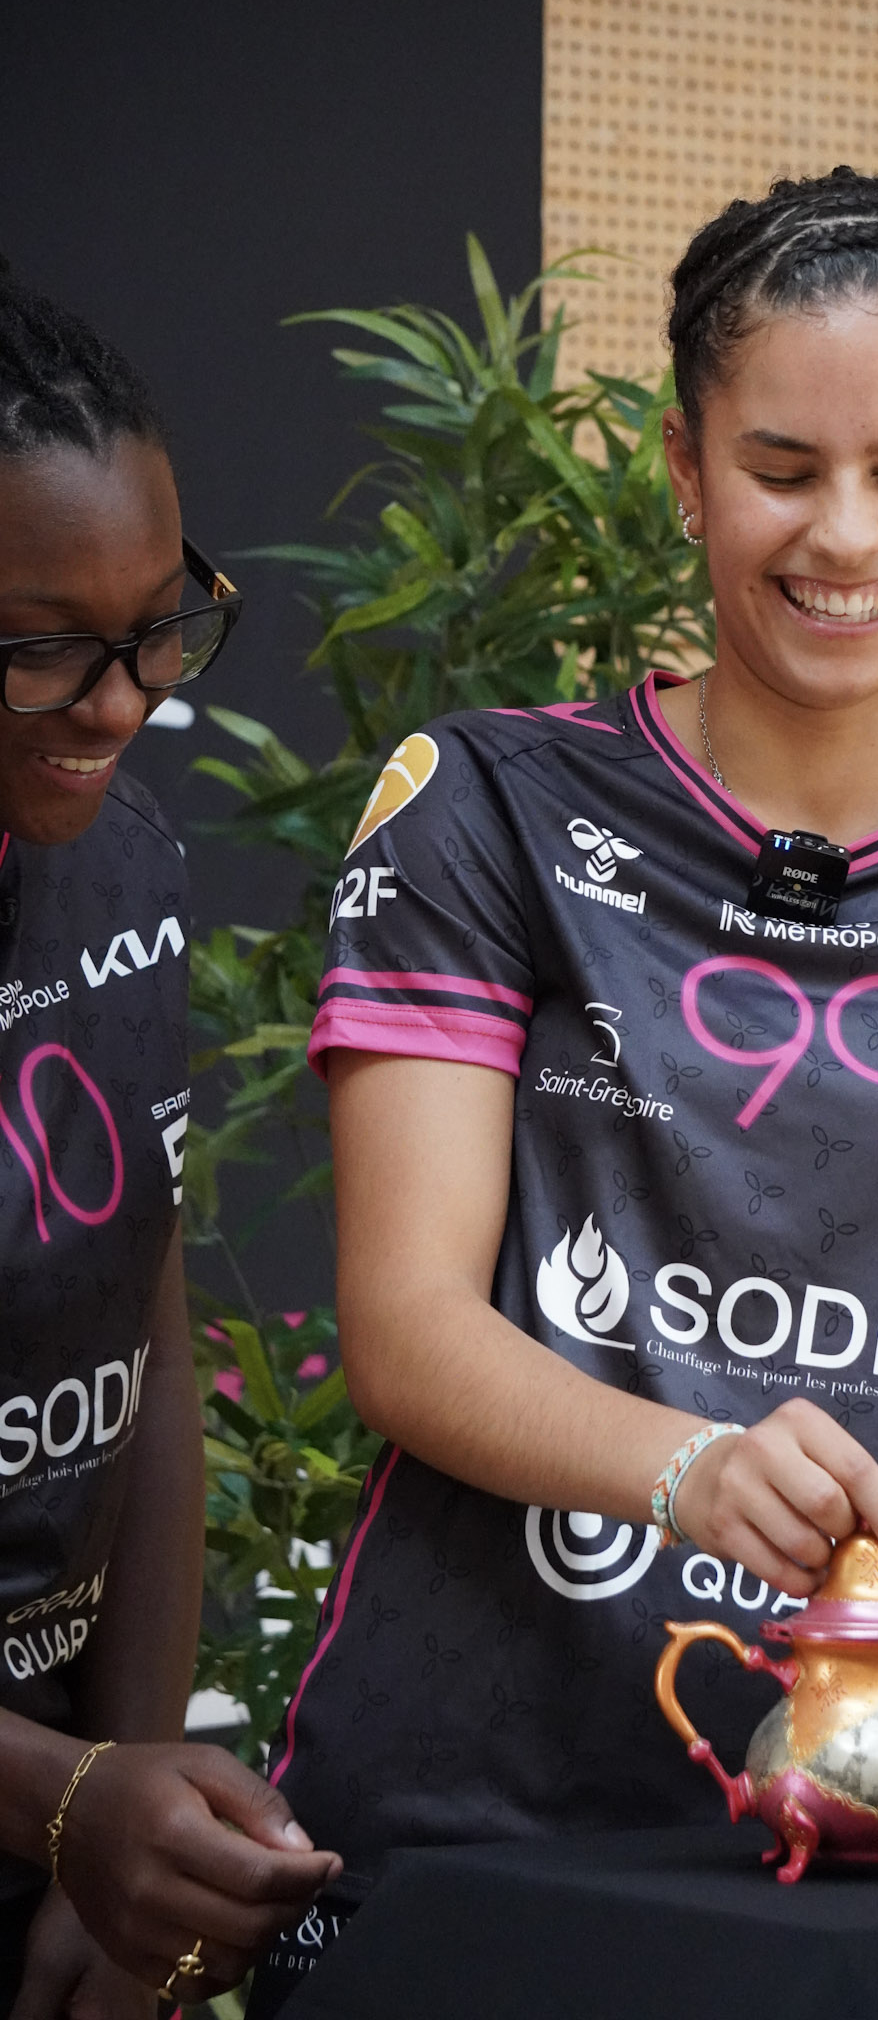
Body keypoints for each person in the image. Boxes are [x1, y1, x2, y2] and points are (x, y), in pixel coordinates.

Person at [253, 168, 878, 2006]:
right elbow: (401, 1324)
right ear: (684, 468)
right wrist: (690, 1469)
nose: (845, 533)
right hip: (467, 1832)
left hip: (860, 1845)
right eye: (781, 468)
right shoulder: (485, 805)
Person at [0, 264, 341, 2019]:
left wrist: (118, 1799)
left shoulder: (123, 863)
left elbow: (143, 1326)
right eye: (43, 645)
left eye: (160, 625)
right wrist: (63, 1804)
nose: (124, 700)